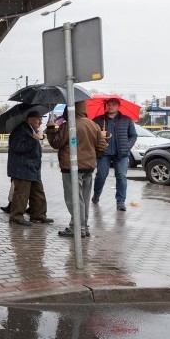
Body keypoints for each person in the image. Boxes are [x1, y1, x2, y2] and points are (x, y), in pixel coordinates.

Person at [48, 101, 108, 237]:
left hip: (71, 167)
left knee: (74, 198)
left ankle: (78, 228)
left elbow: (56, 143)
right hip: (89, 167)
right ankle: (84, 226)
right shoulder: (93, 125)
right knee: (85, 198)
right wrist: (91, 156)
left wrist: (51, 129)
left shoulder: (69, 125)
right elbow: (102, 146)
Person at [6, 110, 53, 226]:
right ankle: (16, 217)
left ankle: (38, 214)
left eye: (41, 118)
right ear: (30, 119)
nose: (41, 121)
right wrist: (34, 139)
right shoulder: (20, 130)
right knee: (22, 194)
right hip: (22, 168)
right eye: (38, 118)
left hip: (32, 168)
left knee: (38, 193)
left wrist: (36, 137)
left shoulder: (31, 129)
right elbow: (18, 148)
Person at [92, 98, 137, 211]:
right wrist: (99, 136)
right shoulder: (98, 120)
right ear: (106, 106)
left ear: (118, 107)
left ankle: (120, 202)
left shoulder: (126, 120)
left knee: (121, 176)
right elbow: (91, 134)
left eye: (113, 105)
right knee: (101, 176)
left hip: (121, 153)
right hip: (103, 153)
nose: (110, 107)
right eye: (108, 105)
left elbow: (133, 135)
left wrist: (127, 146)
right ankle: (96, 196)